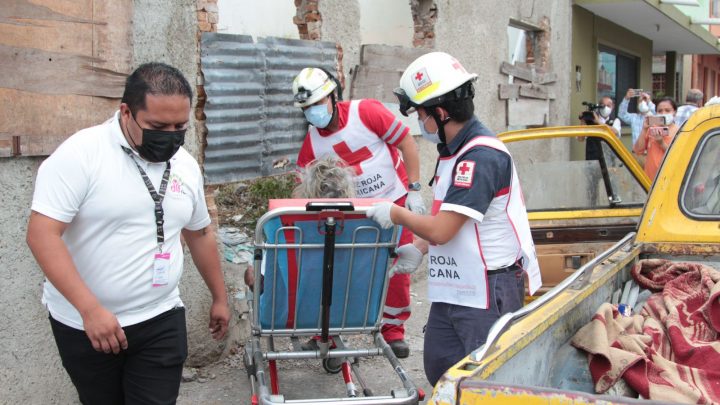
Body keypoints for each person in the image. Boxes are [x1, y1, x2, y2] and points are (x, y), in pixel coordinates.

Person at [26, 63, 230, 404]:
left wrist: (219, 297)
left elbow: (200, 233)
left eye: (179, 126)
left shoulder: (185, 165)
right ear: (126, 112)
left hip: (160, 316)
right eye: (157, 126)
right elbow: (42, 234)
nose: (170, 135)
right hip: (86, 324)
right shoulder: (81, 155)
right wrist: (90, 310)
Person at [367, 52, 542, 386]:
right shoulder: (454, 151)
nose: (420, 123)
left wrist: (395, 213)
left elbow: (444, 230)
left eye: (420, 114)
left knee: (482, 383)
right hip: (456, 285)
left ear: (441, 112)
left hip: (487, 289)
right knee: (441, 370)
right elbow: (451, 217)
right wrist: (419, 247)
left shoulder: (480, 157)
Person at [292, 67, 425, 358]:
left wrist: (414, 189)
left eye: (317, 104)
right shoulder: (312, 143)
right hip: (353, 215)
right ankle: (326, 330)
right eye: (307, 108)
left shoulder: (366, 113)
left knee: (398, 267)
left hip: (393, 202)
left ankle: (393, 331)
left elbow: (406, 143)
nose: (313, 112)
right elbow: (301, 188)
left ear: (333, 96)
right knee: (337, 270)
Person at [633, 97, 679, 180]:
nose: (663, 113)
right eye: (660, 111)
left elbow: (678, 156)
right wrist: (644, 129)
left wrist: (661, 143)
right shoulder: (652, 129)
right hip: (649, 179)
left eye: (667, 110)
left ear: (675, 112)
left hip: (668, 180)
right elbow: (638, 150)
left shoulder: (679, 132)